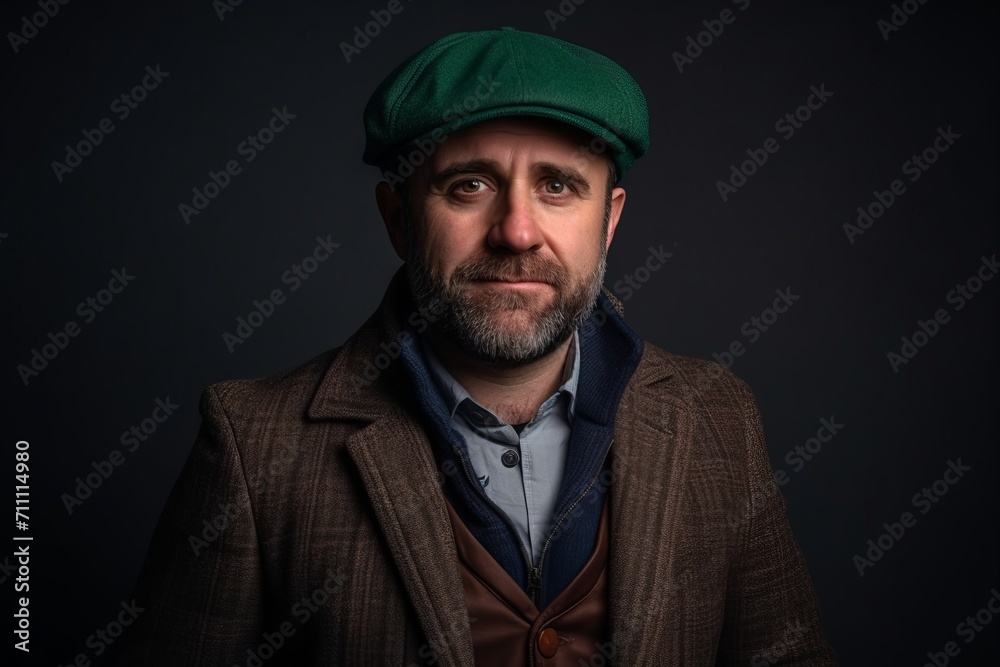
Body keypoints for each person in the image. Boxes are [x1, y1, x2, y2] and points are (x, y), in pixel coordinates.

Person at [116, 27, 838, 666]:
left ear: (609, 221)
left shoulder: (718, 416)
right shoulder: (252, 444)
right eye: (469, 186)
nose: (517, 231)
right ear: (399, 219)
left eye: (558, 186)